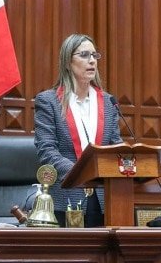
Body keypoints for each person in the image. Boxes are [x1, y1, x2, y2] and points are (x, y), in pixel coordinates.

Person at [34, 33, 123, 227]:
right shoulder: (48, 101)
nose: (91, 61)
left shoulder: (108, 102)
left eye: (94, 55)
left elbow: (116, 147)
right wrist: (82, 172)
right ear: (67, 62)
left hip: (103, 200)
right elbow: (47, 151)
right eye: (84, 55)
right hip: (66, 196)